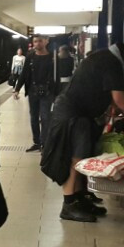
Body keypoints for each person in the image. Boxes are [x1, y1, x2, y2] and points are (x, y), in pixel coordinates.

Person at [41, 41, 124, 222]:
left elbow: (112, 99)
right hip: (72, 115)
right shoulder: (113, 63)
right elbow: (119, 99)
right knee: (75, 157)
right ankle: (69, 204)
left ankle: (79, 198)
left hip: (79, 114)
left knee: (81, 156)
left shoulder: (105, 57)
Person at [13, 34, 56, 152]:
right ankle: (37, 142)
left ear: (46, 41)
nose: (37, 43)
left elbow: (57, 76)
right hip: (33, 91)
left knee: (45, 117)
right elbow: (24, 73)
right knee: (34, 118)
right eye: (35, 41)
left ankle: (44, 143)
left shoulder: (53, 57)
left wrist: (57, 93)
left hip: (47, 92)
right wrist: (17, 89)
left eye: (40, 41)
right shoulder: (30, 57)